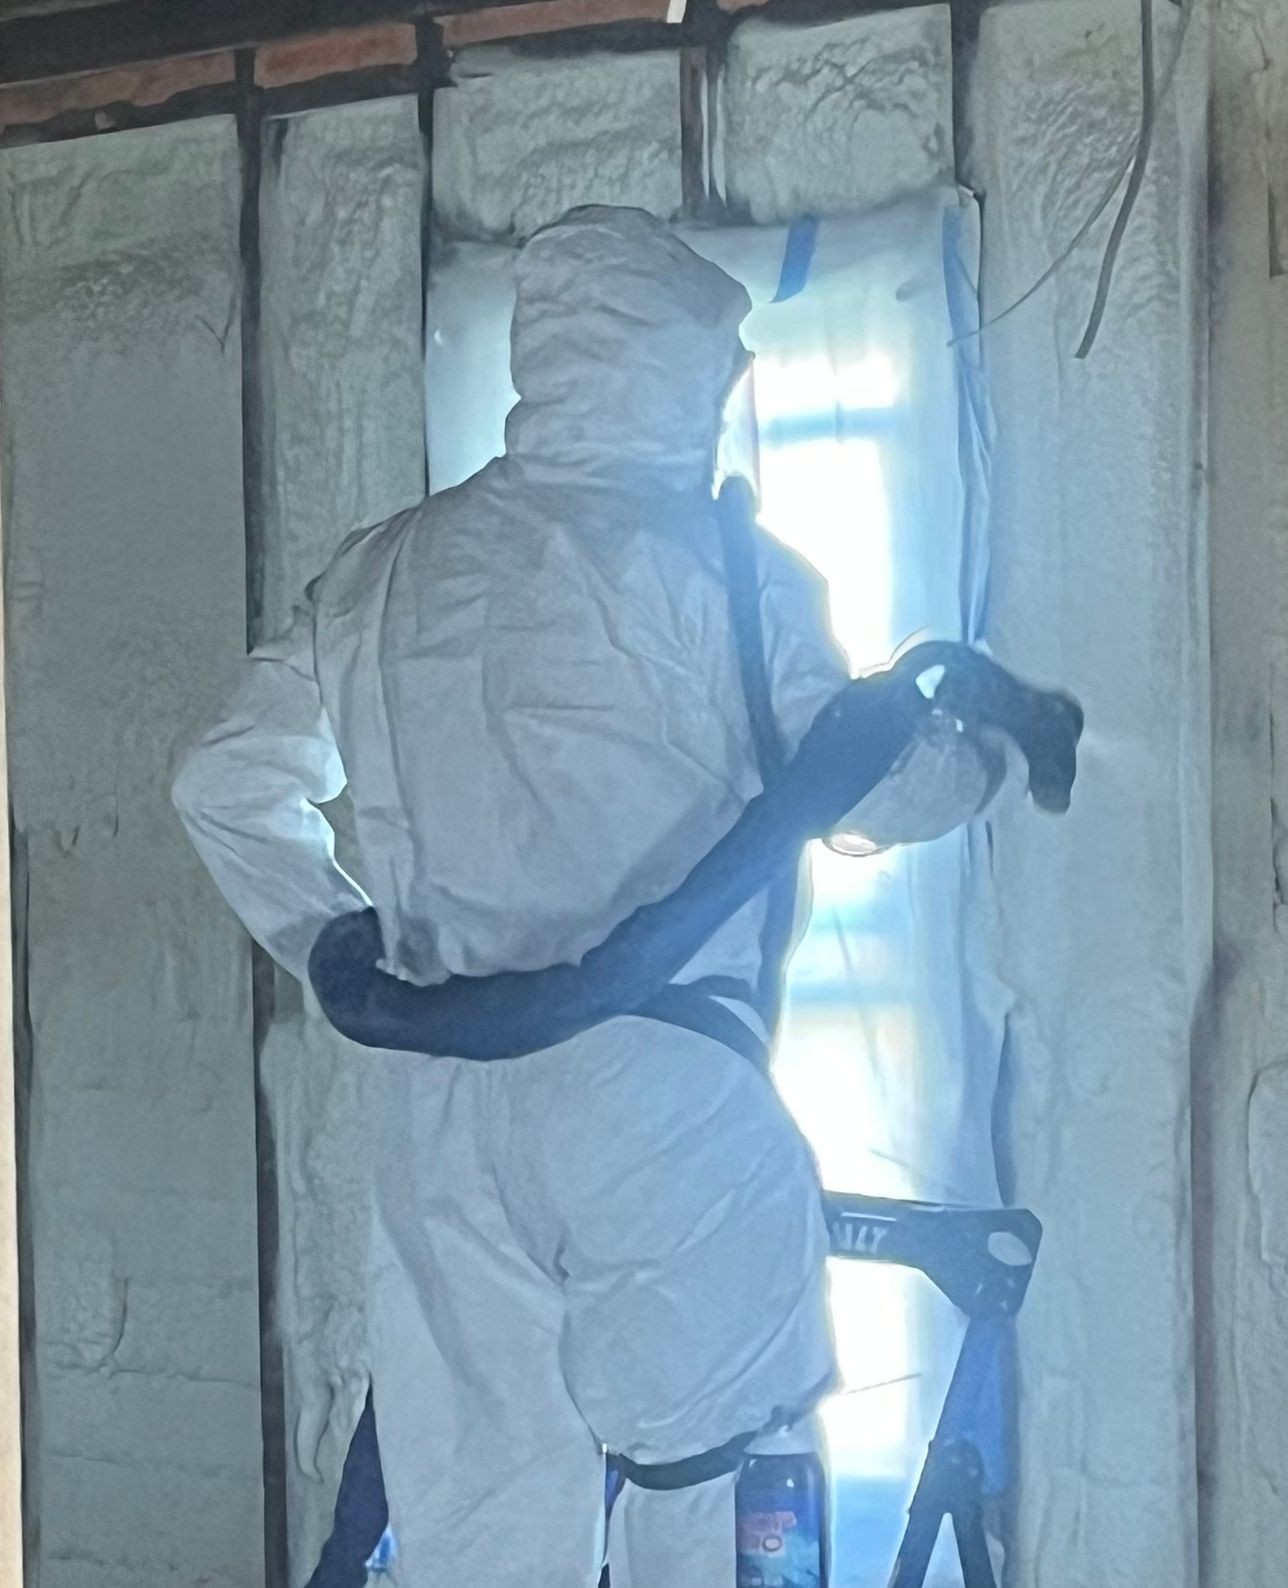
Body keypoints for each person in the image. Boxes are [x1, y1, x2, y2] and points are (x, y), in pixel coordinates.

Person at [172, 206, 1047, 1588]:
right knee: (716, 1513)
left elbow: (219, 779)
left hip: (444, 1116)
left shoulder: (383, 571)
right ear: (680, 368)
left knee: (480, 1532)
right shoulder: (724, 569)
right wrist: (990, 757)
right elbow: (877, 785)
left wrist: (325, 935)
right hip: (664, 1104)